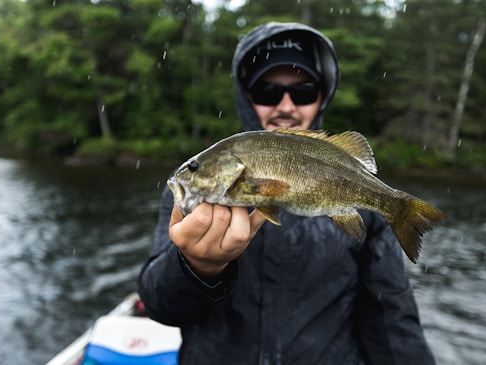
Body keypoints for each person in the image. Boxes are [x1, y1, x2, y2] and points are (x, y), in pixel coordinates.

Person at [138, 22, 435, 365]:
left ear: (322, 96)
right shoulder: (191, 198)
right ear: (247, 96)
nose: (286, 106)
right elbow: (160, 305)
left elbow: (391, 318)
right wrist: (195, 267)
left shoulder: (368, 214)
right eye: (267, 91)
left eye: (304, 90)